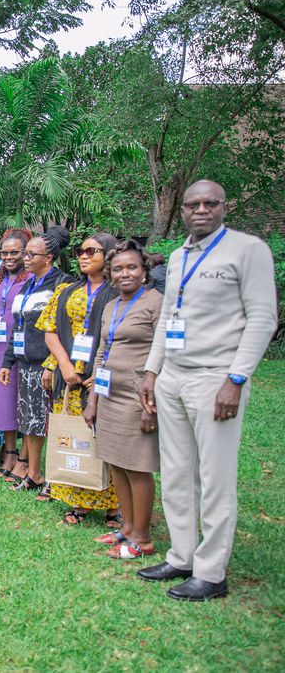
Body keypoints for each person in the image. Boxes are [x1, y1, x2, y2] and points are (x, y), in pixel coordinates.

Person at [137, 180, 277, 601]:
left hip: (216, 377)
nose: (201, 210)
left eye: (209, 203)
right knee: (177, 472)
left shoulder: (247, 250)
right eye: (193, 204)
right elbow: (167, 319)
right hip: (173, 376)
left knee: (214, 477)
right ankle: (181, 555)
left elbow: (263, 318)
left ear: (224, 207)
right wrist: (151, 369)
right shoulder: (179, 256)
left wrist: (235, 379)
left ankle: (212, 571)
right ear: (181, 210)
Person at [81, 242, 163, 559]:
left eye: (131, 268)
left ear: (144, 272)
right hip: (110, 393)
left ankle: (141, 538)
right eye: (118, 269)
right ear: (111, 275)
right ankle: (127, 529)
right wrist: (94, 401)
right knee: (116, 462)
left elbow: (164, 353)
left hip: (139, 393)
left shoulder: (156, 304)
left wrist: (151, 402)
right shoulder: (113, 305)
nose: (124, 273)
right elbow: (102, 352)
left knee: (138, 466)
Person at [38, 232, 120, 524]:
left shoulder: (120, 293)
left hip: (108, 377)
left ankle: (114, 506)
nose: (84, 256)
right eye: (80, 252)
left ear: (109, 255)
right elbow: (50, 330)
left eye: (91, 251)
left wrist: (97, 374)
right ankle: (79, 503)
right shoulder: (67, 291)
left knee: (107, 440)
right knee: (77, 438)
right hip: (71, 378)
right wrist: (63, 367)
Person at [0, 226, 72, 496]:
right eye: (25, 254)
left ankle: (54, 478)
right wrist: (8, 362)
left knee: (49, 423)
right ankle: (34, 474)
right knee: (30, 421)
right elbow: (17, 327)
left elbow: (65, 332)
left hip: (46, 367)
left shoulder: (62, 284)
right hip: (25, 363)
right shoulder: (28, 284)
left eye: (32, 254)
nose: (25, 259)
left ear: (49, 257)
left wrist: (53, 364)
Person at [0, 228, 33, 479]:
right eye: (4, 252)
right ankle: (10, 452)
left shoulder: (31, 279)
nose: (9, 257)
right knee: (2, 402)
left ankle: (25, 458)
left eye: (15, 252)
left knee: (22, 402)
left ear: (26, 253)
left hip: (22, 349)